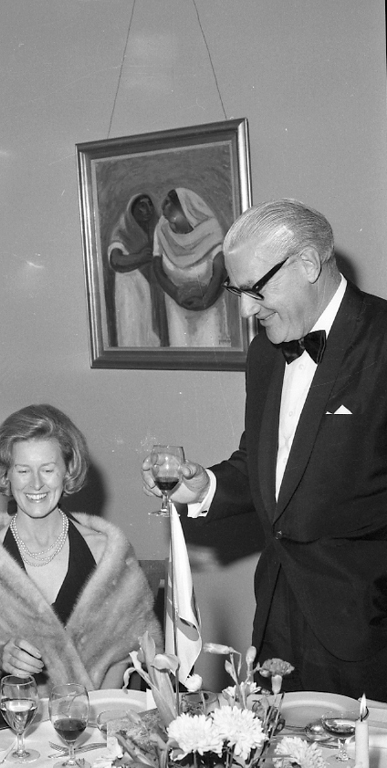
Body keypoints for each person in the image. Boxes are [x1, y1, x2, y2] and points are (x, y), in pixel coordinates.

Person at [142, 199, 387, 699]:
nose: (247, 309)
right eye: (237, 291)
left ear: (309, 263)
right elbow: (270, 465)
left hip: (370, 629)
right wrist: (205, 487)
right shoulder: (265, 352)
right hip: (276, 617)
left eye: (256, 289)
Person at [0, 404, 161, 695]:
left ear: (67, 471)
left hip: (96, 717)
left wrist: (96, 710)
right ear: (6, 474)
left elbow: (130, 653)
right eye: (23, 470)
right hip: (14, 719)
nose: (36, 484)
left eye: (47, 470)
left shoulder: (107, 553)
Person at [152, 188, 231, 347]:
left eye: (168, 203)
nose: (163, 205)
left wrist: (205, 301)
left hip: (209, 306)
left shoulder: (210, 230)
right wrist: (176, 294)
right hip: (176, 307)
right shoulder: (162, 229)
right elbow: (157, 267)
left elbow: (220, 270)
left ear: (183, 208)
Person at [106, 192, 167, 347]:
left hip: (154, 293)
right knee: (134, 336)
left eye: (150, 205)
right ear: (131, 211)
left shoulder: (156, 230)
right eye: (142, 206)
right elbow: (116, 261)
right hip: (131, 294)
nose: (148, 209)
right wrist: (140, 257)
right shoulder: (123, 232)